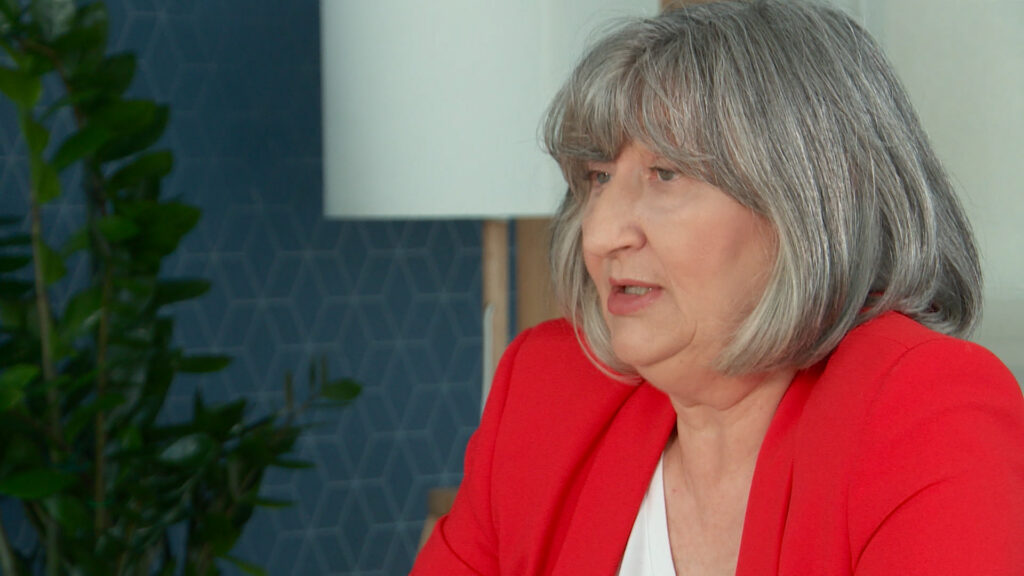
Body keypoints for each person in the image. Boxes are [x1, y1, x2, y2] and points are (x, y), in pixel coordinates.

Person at [412, 1, 1024, 574]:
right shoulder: (546, 390)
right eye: (599, 177)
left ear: (811, 209)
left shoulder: (923, 410)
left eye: (666, 174)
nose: (598, 235)